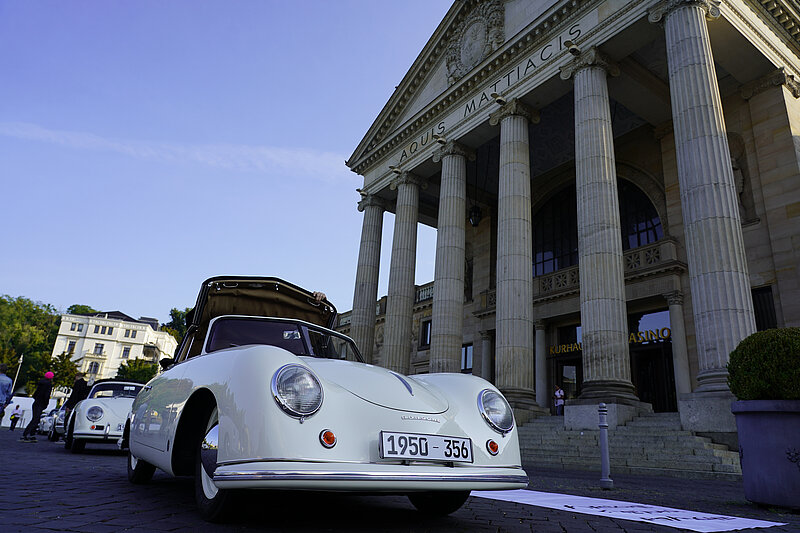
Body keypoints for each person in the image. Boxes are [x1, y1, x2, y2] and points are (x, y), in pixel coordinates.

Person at [21, 371, 54, 442]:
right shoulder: (49, 385)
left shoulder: (40, 383)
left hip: (36, 403)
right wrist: (46, 403)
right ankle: (26, 434)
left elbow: (35, 394)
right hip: (41, 403)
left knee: (35, 419)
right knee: (35, 420)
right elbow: (47, 395)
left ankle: (31, 434)